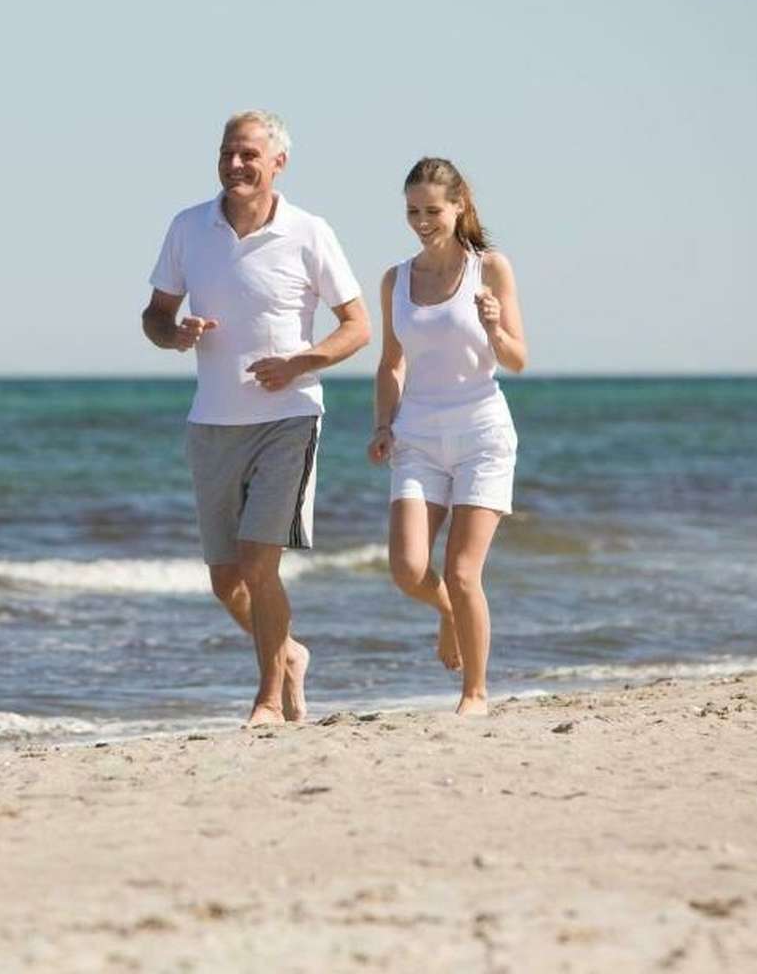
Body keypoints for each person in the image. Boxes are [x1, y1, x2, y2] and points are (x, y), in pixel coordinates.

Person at [143, 110, 371, 726]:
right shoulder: (188, 227)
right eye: (227, 153)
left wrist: (302, 362)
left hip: (288, 420)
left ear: (278, 163)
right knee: (226, 580)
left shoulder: (309, 232)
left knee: (258, 562)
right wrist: (176, 333)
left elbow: (358, 327)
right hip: (211, 423)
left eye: (248, 154)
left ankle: (269, 698)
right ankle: (289, 654)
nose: (236, 164)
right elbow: (155, 316)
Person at [367, 157, 528, 716]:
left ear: (459, 207)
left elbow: (517, 359)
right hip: (417, 436)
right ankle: (448, 615)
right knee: (408, 570)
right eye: (412, 211)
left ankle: (475, 694)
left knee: (463, 572)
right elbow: (391, 363)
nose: (421, 220)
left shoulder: (491, 269)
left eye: (432, 210)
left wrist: (492, 326)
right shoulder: (396, 280)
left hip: (482, 432)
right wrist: (383, 424)